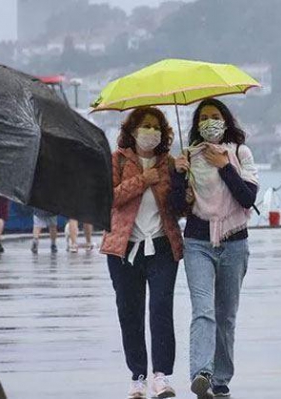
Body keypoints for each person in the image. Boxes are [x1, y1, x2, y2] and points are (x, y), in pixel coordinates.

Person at [170, 98, 258, 399]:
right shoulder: (188, 156)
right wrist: (178, 176)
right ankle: (201, 373)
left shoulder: (240, 153)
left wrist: (225, 167)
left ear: (226, 120)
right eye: (204, 118)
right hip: (198, 242)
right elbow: (177, 207)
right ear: (196, 125)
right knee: (203, 310)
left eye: (215, 116)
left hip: (235, 242)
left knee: (226, 315)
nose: (210, 122)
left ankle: (221, 378)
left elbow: (248, 198)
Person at [100, 107, 183, 399]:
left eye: (156, 127)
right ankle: (137, 377)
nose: (151, 132)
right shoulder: (116, 160)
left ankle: (162, 375)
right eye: (146, 126)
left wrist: (183, 178)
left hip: (162, 246)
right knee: (129, 312)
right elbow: (108, 197)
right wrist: (142, 180)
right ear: (133, 131)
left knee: (161, 309)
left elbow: (180, 207)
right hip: (124, 249)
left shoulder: (169, 164)